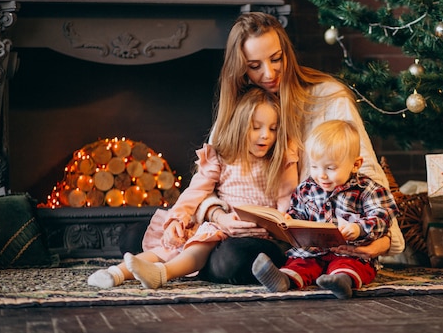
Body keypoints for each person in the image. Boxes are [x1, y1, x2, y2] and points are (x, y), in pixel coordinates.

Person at [195, 12, 404, 285]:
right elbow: (203, 183)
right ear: (241, 68)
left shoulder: (329, 97)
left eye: (276, 59)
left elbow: (364, 173)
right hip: (234, 232)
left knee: (231, 260)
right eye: (254, 65)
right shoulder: (240, 106)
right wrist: (218, 216)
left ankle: (201, 263)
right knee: (138, 236)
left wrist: (382, 242)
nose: (269, 74)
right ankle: (199, 259)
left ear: (287, 54)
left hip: (303, 245)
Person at [87, 87, 298, 289]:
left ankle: (163, 273)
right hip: (220, 226)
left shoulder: (280, 158)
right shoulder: (221, 157)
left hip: (256, 236)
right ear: (239, 125)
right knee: (171, 245)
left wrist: (283, 223)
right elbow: (195, 192)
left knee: (198, 246)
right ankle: (116, 273)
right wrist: (176, 220)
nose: (266, 135)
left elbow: (287, 200)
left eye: (273, 128)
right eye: (256, 127)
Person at [252, 120, 399, 299]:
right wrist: (289, 222)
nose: (321, 175)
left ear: (355, 164)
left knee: (351, 265)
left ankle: (342, 281)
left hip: (350, 252)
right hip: (313, 251)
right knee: (300, 263)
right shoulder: (306, 188)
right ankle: (284, 279)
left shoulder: (368, 190)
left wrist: (358, 228)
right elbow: (297, 213)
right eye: (314, 166)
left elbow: (383, 216)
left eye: (330, 168)